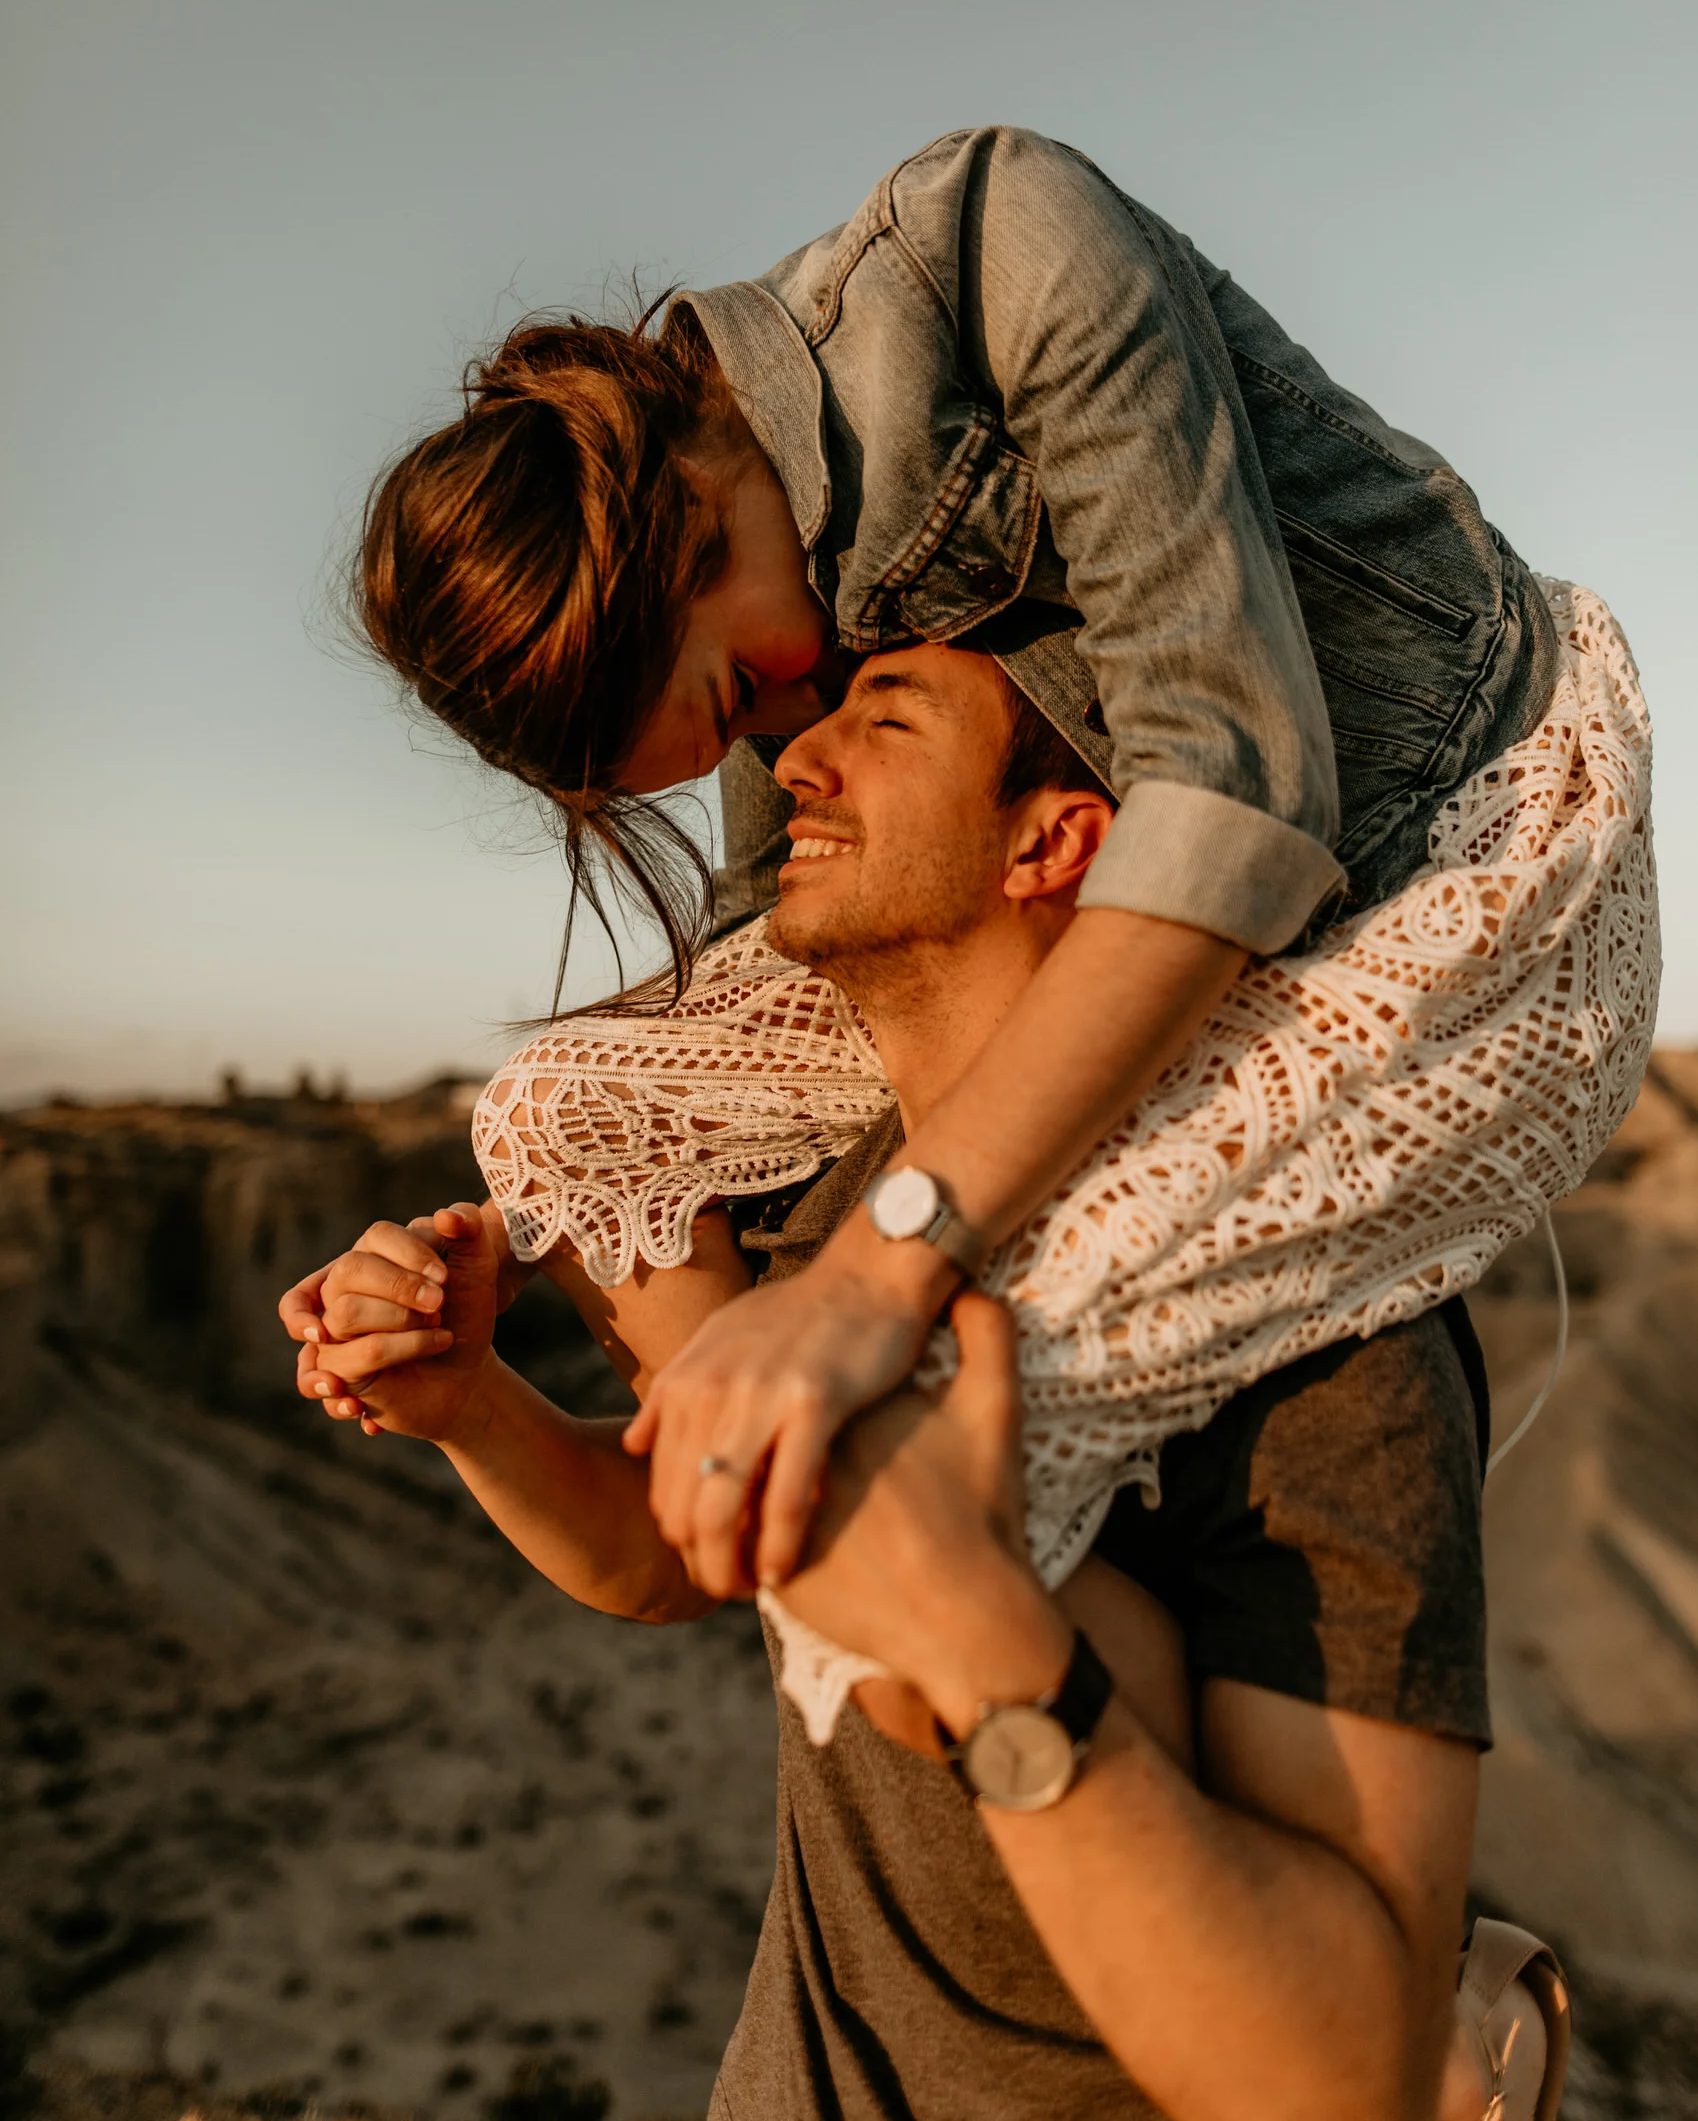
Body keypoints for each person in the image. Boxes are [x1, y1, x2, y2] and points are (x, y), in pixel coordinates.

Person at [293, 645, 1572, 2121]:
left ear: (1054, 837)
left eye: (885, 721)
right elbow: (676, 1545)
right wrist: (471, 1405)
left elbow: (1344, 2079)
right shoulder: (841, 1231)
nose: (795, 768)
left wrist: (975, 1632)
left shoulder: (1316, 1313)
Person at [341, 123, 1588, 1591]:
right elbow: (674, 1565)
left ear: (684, 516)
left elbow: (1237, 787)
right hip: (1071, 908)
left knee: (1006, 1341)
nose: (792, 748)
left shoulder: (999, 247)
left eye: (739, 699)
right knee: (566, 1112)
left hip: (1440, 829)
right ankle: (826, 1515)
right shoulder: (778, 621)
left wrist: (884, 1271)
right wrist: (487, 1305)